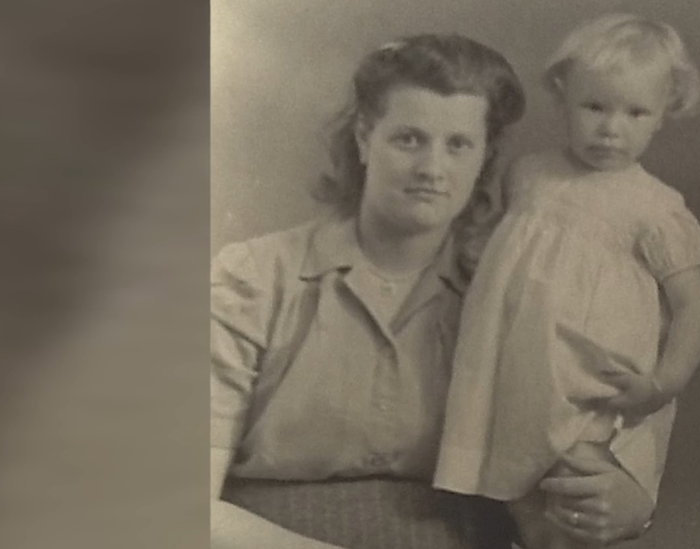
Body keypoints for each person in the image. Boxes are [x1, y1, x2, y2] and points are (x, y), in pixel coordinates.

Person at [211, 33, 656, 549]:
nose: (432, 169)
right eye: (408, 139)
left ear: (485, 155)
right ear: (363, 138)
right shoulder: (254, 279)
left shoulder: (516, 294)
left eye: (458, 145)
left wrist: (627, 501)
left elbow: (566, 468)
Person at [432, 14, 700, 549]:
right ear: (562, 97)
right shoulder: (530, 173)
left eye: (636, 112)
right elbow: (508, 252)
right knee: (519, 503)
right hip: (514, 373)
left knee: (577, 505)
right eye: (595, 107)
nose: (612, 128)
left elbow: (694, 307)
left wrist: (663, 383)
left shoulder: (655, 210)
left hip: (585, 385)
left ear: (663, 114)